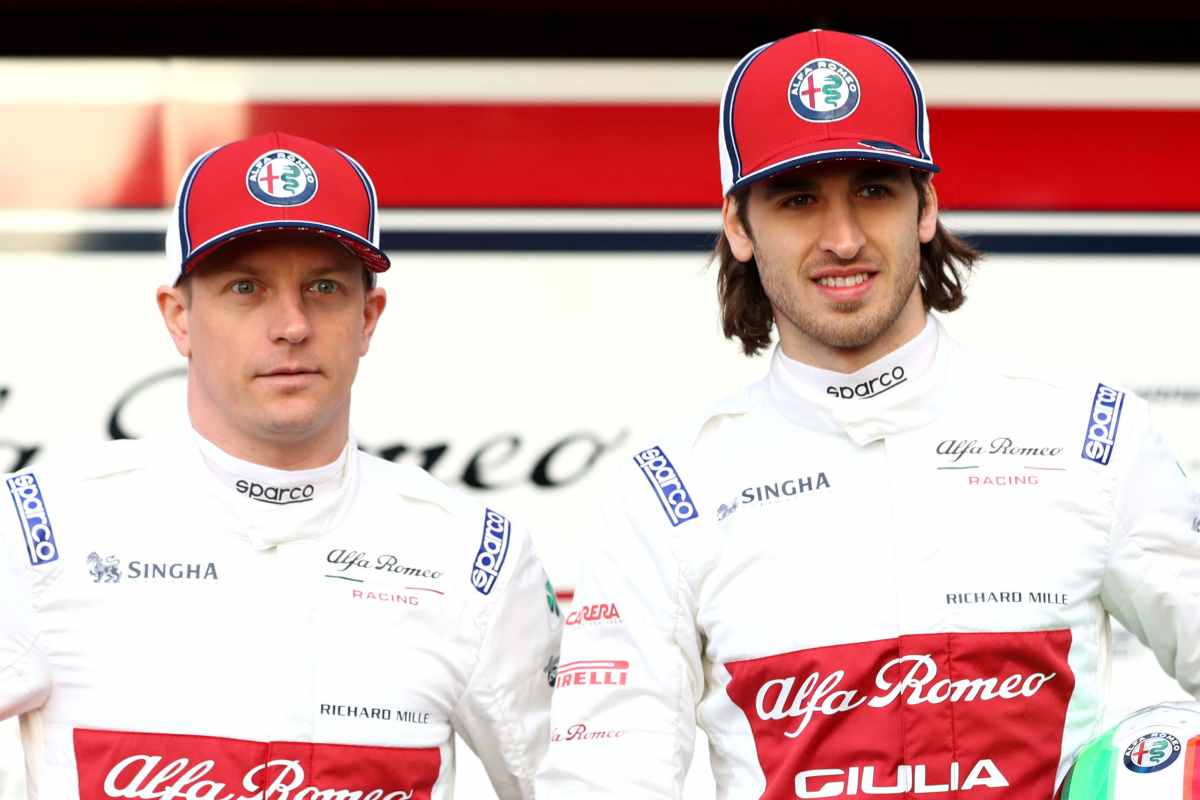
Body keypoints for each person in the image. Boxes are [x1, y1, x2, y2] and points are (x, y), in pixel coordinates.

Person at [535, 29, 1200, 799]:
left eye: (875, 191)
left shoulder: (1090, 440)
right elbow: (603, 782)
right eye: (799, 199)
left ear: (927, 208)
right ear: (740, 227)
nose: (843, 238)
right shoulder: (669, 492)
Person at [0, 131, 561, 799]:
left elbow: (579, 785)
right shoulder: (42, 527)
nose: (291, 324)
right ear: (178, 317)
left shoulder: (473, 556)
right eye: (247, 288)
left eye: (323, 287)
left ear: (368, 317)